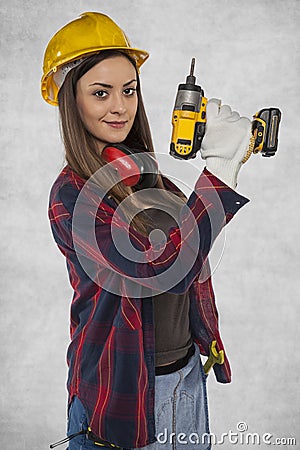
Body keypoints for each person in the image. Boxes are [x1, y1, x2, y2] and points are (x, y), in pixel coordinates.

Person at [42, 12, 252, 450]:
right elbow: (162, 267)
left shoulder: (148, 175)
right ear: (70, 100)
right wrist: (220, 172)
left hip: (186, 379)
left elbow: (194, 256)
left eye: (129, 89)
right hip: (123, 392)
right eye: (100, 93)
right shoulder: (72, 197)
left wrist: (218, 162)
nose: (120, 106)